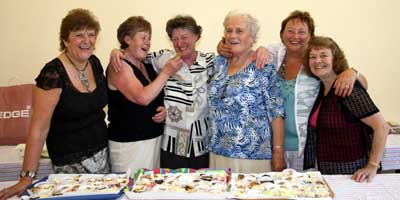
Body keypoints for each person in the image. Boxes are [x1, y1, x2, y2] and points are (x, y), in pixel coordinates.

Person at [110, 15, 269, 169]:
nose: (179, 43)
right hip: (172, 145)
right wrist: (116, 52)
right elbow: (135, 56)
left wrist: (262, 49)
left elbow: (237, 55)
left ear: (197, 37)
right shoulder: (163, 59)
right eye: (174, 38)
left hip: (203, 144)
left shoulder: (211, 61)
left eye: (184, 37)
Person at [217, 10, 368, 171]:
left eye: (302, 32)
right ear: (282, 34)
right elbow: (242, 48)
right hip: (272, 145)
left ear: (311, 36)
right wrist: (224, 46)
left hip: (307, 146)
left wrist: (352, 73)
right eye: (290, 31)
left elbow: (359, 84)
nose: (295, 36)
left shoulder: (316, 62)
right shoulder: (273, 55)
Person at [0, 8, 110, 199]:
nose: (87, 40)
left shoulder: (94, 62)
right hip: (70, 165)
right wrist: (27, 177)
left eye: (91, 34)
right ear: (65, 40)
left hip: (103, 155)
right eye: (79, 35)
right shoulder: (52, 74)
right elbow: (38, 129)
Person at [302, 36, 389, 182]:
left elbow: (382, 127)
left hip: (352, 174)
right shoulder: (322, 89)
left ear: (335, 59)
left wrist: (372, 166)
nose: (317, 61)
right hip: (328, 170)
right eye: (313, 57)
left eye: (324, 55)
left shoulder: (348, 88)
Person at [208, 11, 285, 173]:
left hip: (252, 155)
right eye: (229, 30)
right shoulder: (218, 63)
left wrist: (278, 151)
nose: (233, 35)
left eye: (240, 31)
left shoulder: (263, 66)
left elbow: (276, 113)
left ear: (253, 37)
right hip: (217, 150)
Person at [106, 16, 181, 173]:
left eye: (149, 38)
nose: (148, 42)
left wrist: (164, 111)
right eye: (143, 37)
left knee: (148, 190)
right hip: (129, 145)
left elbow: (155, 94)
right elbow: (142, 97)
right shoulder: (118, 65)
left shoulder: (147, 64)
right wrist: (167, 71)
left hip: (153, 140)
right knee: (130, 192)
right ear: (127, 39)